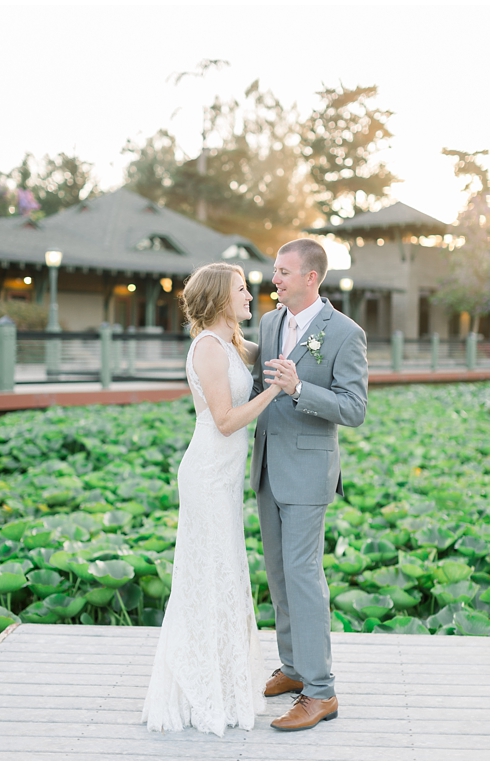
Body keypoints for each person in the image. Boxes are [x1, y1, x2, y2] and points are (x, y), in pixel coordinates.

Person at [142, 262, 281, 736]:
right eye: (242, 290)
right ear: (221, 298)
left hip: (224, 477)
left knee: (226, 572)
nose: (250, 295)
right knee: (207, 574)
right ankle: (200, 688)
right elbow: (224, 420)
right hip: (206, 475)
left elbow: (278, 350)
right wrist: (276, 392)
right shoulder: (206, 348)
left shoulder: (231, 343)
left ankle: (225, 681)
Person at [250, 238, 367, 731]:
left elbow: (354, 409)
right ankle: (295, 668)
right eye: (274, 270)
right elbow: (258, 389)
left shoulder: (344, 333)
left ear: (310, 277)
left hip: (308, 474)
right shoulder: (270, 322)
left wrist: (300, 388)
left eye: (282, 271)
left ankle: (321, 692)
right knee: (278, 575)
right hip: (267, 468)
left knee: (303, 578)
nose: (273, 278)